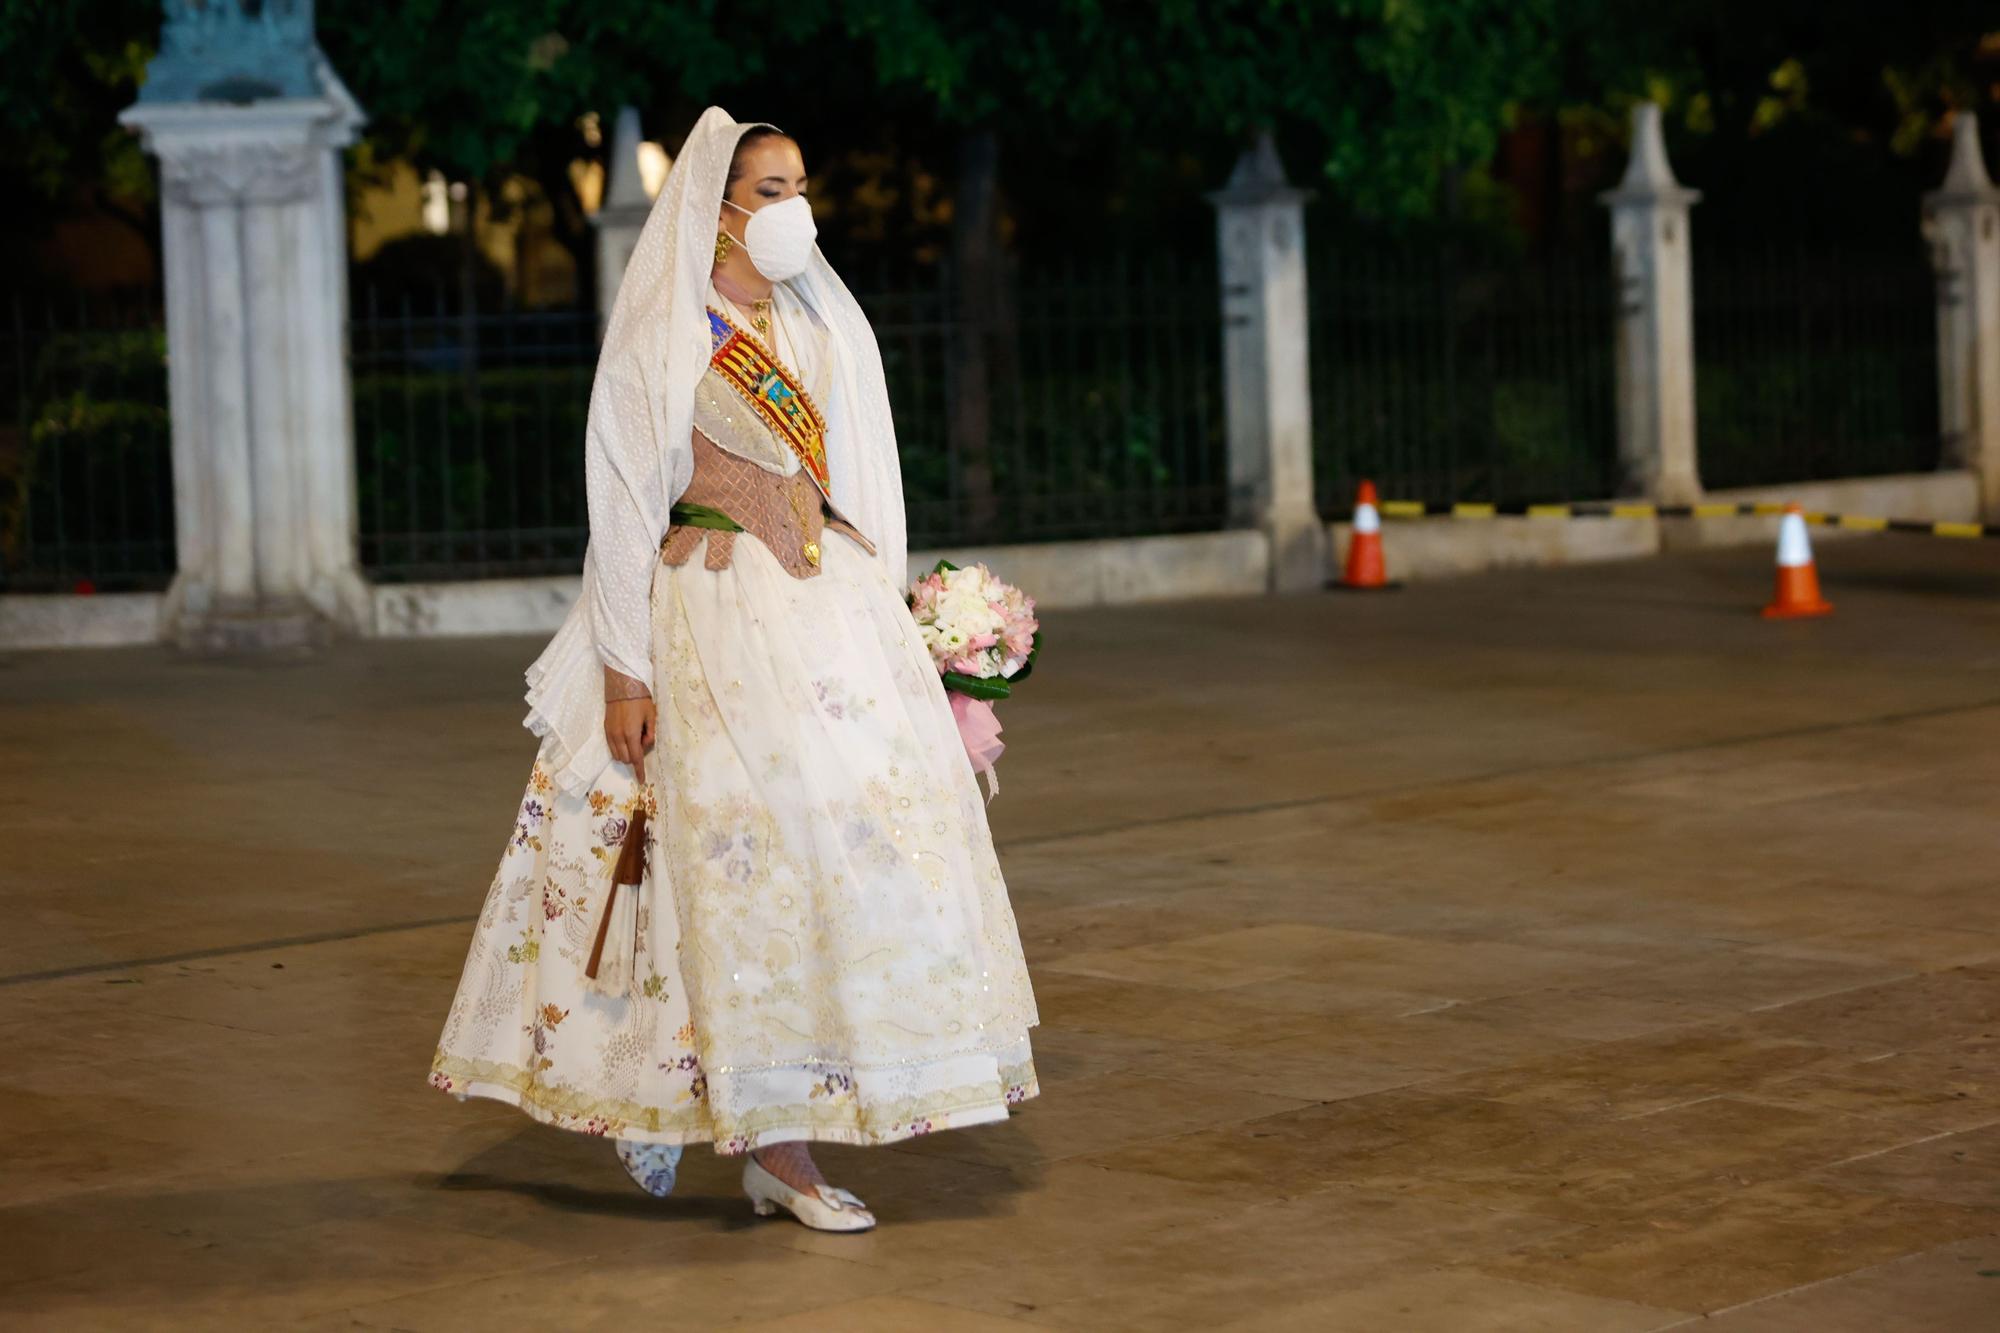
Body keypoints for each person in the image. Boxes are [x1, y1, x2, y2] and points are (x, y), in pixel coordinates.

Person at [427, 108, 1041, 1233]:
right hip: (714, 615)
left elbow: (859, 481)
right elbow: (621, 499)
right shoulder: (671, 327)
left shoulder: (816, 322)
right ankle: (773, 1145)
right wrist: (623, 669)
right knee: (735, 869)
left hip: (827, 616)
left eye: (801, 183)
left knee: (848, 856)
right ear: (715, 210)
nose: (792, 206)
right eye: (768, 188)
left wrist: (912, 635)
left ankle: (791, 1123)